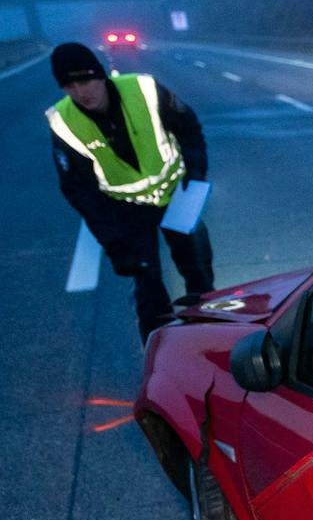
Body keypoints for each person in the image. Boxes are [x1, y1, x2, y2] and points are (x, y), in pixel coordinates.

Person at [46, 42, 214, 342]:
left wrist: (196, 173)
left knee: (197, 265)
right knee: (148, 286)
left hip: (175, 192)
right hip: (126, 208)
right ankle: (157, 352)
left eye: (85, 80)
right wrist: (115, 244)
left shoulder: (145, 89)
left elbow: (188, 127)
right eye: (69, 85)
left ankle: (212, 331)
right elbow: (79, 190)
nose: (80, 92)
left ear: (101, 76)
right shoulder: (63, 123)